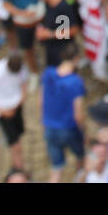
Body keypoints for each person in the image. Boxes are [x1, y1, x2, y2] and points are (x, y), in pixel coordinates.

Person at [41, 43, 87, 183]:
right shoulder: (75, 82)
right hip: (69, 129)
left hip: (49, 127)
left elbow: (41, 101)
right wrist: (83, 131)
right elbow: (78, 115)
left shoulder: (48, 74)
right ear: (77, 58)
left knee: (56, 168)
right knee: (81, 158)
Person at [0, 51, 30, 171]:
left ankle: (17, 165)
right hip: (3, 112)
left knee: (18, 137)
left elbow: (23, 83)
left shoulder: (21, 68)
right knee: (15, 145)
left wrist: (22, 98)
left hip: (16, 107)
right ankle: (19, 169)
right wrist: (2, 111)